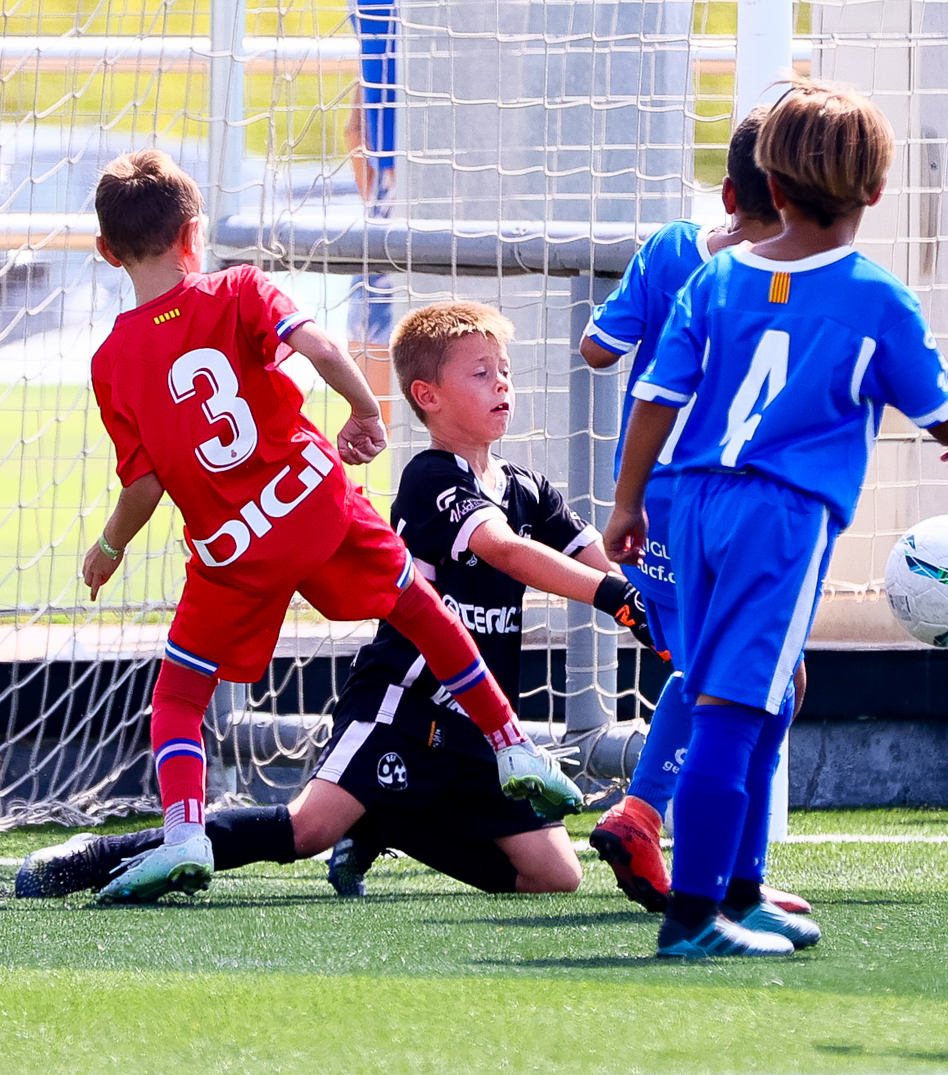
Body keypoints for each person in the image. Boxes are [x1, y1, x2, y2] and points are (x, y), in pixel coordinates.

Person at [74, 151, 580, 903]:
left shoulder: (111, 359)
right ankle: (515, 746)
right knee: (420, 609)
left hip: (232, 549)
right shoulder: (239, 288)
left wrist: (109, 546)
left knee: (179, 695)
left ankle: (184, 834)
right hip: (312, 502)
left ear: (106, 251)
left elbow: (144, 484)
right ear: (193, 234)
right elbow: (320, 347)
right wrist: (366, 411)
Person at [21, 301, 654, 901]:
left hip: (476, 722)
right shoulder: (431, 476)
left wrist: (656, 601)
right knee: (308, 829)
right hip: (403, 703)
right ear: (427, 396)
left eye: (505, 371)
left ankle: (387, 820)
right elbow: (505, 550)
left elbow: (593, 553)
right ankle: (97, 855)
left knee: (554, 875)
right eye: (481, 373)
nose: (502, 384)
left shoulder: (528, 487)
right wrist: (619, 600)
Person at [604, 78, 948, 958]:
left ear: (768, 187)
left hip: (692, 504)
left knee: (763, 691)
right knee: (731, 708)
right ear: (877, 193)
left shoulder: (716, 277)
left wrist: (628, 501)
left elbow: (656, 396)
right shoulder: (874, 297)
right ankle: (693, 917)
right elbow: (943, 412)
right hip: (779, 519)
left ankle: (741, 890)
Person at [579, 107, 809, 917]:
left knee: (731, 669)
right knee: (753, 675)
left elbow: (598, 348)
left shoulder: (673, 248)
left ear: (728, 191)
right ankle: (680, 839)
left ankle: (686, 841)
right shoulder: (794, 278)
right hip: (729, 500)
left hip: (649, 496)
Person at [343, 0, 400, 419]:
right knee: (372, 384)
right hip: (387, 174)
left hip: (450, 163)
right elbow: (370, 38)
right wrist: (359, 132)